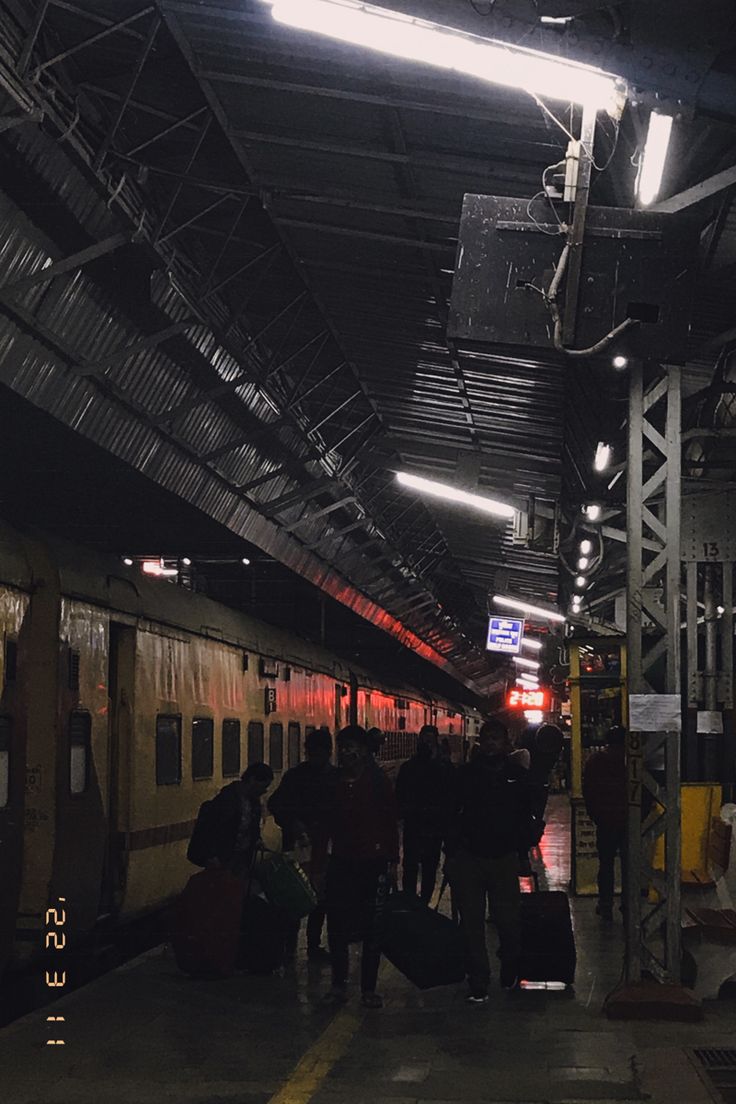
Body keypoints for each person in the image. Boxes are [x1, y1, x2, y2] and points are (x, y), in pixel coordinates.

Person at [445, 718, 535, 1001]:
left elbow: (525, 817)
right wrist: (452, 851)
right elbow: (452, 814)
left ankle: (509, 961)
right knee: (471, 923)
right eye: (488, 739)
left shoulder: (517, 777)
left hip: (503, 856)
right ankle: (479, 980)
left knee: (509, 922)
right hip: (469, 857)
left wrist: (523, 853)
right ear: (481, 742)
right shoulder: (466, 775)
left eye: (497, 739)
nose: (492, 744)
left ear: (506, 743)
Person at [322, 725, 399, 1009]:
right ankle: (339, 985)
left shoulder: (378, 782)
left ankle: (368, 988)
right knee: (338, 926)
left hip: (372, 861)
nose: (346, 752)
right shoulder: (333, 782)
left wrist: (392, 860)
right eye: (342, 746)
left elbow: (390, 821)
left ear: (364, 750)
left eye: (352, 746)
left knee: (372, 928)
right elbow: (324, 822)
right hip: (341, 860)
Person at [267, 727, 338, 962]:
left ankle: (293, 945)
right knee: (317, 897)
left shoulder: (295, 776)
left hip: (304, 845)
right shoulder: (335, 778)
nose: (315, 758)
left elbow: (276, 804)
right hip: (318, 845)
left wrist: (292, 823)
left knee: (297, 895)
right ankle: (310, 945)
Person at [395, 724, 453, 903]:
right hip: (421, 827)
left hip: (425, 827)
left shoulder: (409, 768)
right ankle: (421, 904)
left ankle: (413, 904)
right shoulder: (444, 769)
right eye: (424, 739)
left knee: (418, 868)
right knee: (422, 868)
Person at [582, 724, 627, 922]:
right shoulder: (631, 760)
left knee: (606, 864)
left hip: (605, 821)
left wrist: (595, 815)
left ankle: (606, 904)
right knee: (629, 864)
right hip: (628, 820)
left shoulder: (595, 760)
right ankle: (628, 903)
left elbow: (588, 790)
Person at [204, 762, 274, 875]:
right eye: (263, 786)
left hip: (240, 856)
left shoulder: (253, 801)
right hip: (225, 856)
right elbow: (214, 828)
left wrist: (256, 839)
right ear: (252, 780)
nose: (264, 791)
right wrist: (212, 855)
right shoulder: (228, 799)